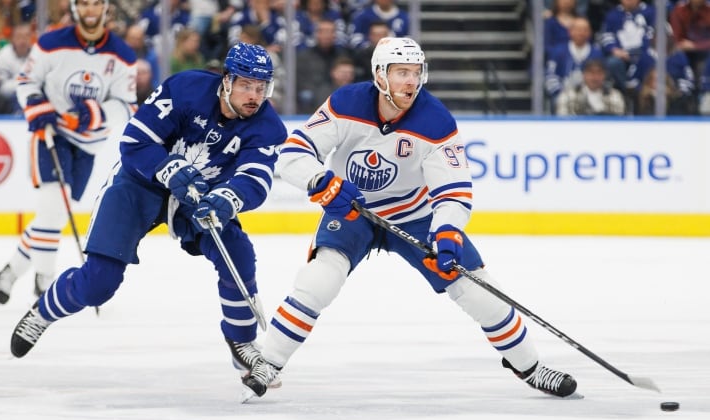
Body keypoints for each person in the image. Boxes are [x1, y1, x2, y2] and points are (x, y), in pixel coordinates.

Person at [241, 37, 578, 401]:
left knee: (481, 292)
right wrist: (322, 182)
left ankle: (529, 367)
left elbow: (453, 190)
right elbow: (294, 153)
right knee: (318, 280)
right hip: (353, 210)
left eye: (416, 73)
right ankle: (268, 363)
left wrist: (447, 232)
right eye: (402, 72)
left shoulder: (435, 120)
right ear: (380, 75)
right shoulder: (346, 103)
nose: (411, 82)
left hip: (415, 215)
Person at [8, 43, 288, 386]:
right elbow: (135, 142)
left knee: (237, 252)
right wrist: (167, 168)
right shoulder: (185, 89)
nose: (254, 96)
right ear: (226, 81)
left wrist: (228, 198)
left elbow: (255, 179)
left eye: (261, 88)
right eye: (246, 85)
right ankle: (43, 311)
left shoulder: (268, 127)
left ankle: (242, 341)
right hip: (140, 184)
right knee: (99, 283)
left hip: (198, 197)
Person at [0, 0, 138, 305]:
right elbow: (26, 81)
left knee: (53, 214)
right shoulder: (50, 43)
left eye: (96, 3)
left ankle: (11, 271)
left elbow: (126, 105)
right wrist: (38, 105)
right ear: (74, 7)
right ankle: (44, 282)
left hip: (88, 143)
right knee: (53, 206)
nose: (90, 9)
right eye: (83, 3)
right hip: (51, 134)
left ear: (105, 8)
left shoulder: (122, 55)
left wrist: (93, 113)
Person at [555, 58, 627, 115]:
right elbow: (562, 121)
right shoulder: (568, 95)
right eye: (591, 72)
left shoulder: (614, 95)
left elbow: (618, 121)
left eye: (599, 73)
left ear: (605, 75)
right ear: (584, 74)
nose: (595, 77)